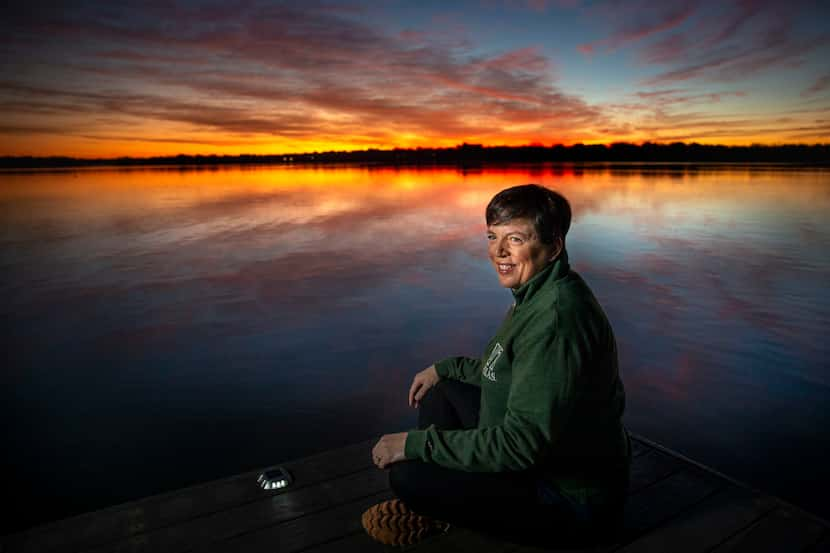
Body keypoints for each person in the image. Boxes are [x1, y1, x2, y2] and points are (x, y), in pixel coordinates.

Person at [362, 184, 629, 548]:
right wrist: (445, 367)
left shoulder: (555, 319)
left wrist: (416, 445)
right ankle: (450, 499)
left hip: (568, 499)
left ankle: (445, 507)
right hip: (542, 459)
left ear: (553, 246)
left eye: (515, 239)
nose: (498, 252)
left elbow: (521, 445)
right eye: (493, 236)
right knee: (440, 392)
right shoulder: (538, 291)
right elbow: (505, 371)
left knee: (408, 477)